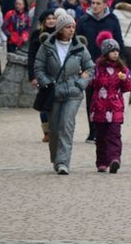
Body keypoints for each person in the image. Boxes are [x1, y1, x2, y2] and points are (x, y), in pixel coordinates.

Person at [34, 10, 94, 175]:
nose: (71, 30)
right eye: (68, 27)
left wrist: (80, 83)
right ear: (60, 29)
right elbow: (38, 67)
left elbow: (90, 67)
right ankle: (56, 158)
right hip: (54, 92)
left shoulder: (79, 47)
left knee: (67, 125)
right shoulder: (47, 46)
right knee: (54, 128)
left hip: (73, 93)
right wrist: (46, 82)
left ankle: (63, 162)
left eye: (73, 27)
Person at [77, 0, 125, 142]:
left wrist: (119, 64)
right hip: (89, 65)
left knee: (108, 99)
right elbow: (77, 43)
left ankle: (106, 130)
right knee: (91, 99)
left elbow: (119, 43)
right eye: (93, 3)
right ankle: (93, 132)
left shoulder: (112, 20)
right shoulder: (84, 20)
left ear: (105, 4)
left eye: (98, 3)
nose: (95, 6)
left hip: (108, 66)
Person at [88, 32, 131, 173]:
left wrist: (125, 79)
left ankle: (114, 159)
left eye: (117, 51)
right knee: (100, 137)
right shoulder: (97, 68)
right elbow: (91, 85)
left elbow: (127, 88)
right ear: (106, 52)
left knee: (114, 134)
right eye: (112, 51)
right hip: (99, 107)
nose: (115, 53)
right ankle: (101, 161)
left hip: (115, 107)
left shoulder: (122, 69)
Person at [29, 10, 58, 143]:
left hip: (57, 74)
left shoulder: (61, 34)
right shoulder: (37, 35)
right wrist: (32, 76)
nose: (51, 20)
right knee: (44, 102)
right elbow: (32, 56)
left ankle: (56, 130)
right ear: (43, 22)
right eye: (48, 19)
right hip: (42, 73)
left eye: (53, 18)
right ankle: (46, 132)